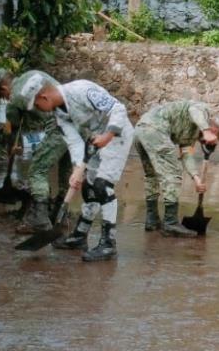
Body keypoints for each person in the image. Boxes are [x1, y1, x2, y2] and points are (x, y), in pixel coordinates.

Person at [11, 72, 133, 262]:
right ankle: (80, 235)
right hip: (93, 140)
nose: (39, 109)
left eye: (36, 105)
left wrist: (108, 135)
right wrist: (78, 169)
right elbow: (74, 142)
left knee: (102, 186)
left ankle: (108, 243)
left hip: (117, 135)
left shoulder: (81, 90)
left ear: (44, 96)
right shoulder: (59, 114)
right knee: (88, 187)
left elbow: (118, 109)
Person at [134, 100, 219, 236]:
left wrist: (196, 179)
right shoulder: (203, 111)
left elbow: (186, 154)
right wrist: (206, 131)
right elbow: (194, 110)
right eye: (213, 137)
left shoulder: (192, 135)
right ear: (214, 128)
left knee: (151, 175)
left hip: (141, 131)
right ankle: (171, 223)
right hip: (155, 129)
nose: (205, 142)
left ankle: (152, 220)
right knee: (173, 173)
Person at [7, 71, 71, 234]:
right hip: (76, 122)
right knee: (67, 171)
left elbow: (15, 122)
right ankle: (61, 214)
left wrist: (14, 145)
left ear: (4, 87)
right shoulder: (34, 74)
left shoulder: (17, 95)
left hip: (56, 127)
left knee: (37, 170)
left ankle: (40, 219)